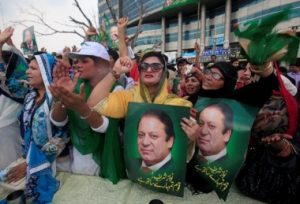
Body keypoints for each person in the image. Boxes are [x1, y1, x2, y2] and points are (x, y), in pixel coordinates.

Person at [49, 41, 126, 183]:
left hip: (105, 159)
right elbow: (57, 121)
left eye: (85, 61)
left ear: (102, 64)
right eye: (77, 61)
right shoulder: (76, 85)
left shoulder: (117, 90)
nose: (78, 65)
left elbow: (106, 128)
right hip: (76, 158)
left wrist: (82, 108)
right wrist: (63, 99)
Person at [19, 53, 69, 203]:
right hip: (29, 160)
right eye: (28, 67)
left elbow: (62, 136)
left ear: (46, 71)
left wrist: (32, 164)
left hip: (57, 164)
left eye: (33, 68)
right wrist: (27, 160)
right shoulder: (29, 97)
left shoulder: (55, 98)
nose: (27, 71)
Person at [0, 27, 28, 202]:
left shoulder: (18, 86)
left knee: (12, 183)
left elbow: (5, 80)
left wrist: (3, 44)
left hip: (7, 138)